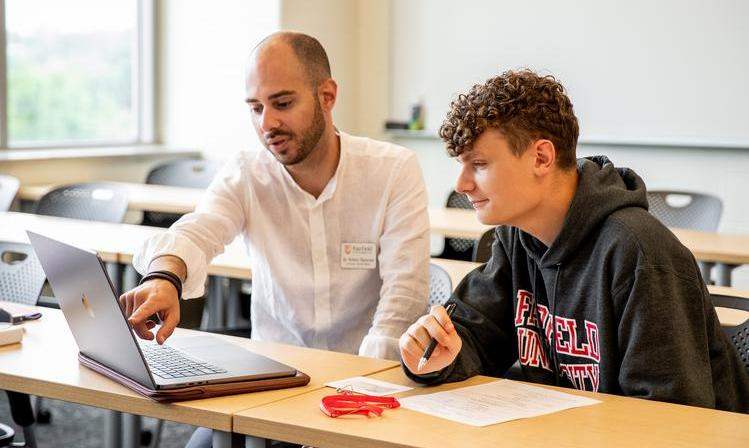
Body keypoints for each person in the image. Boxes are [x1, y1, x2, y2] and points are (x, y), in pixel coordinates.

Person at [399, 69, 749, 412]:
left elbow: (670, 415)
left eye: (478, 164)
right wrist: (436, 357)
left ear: (541, 157)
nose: (461, 184)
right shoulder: (516, 237)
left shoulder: (638, 253)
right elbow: (473, 336)